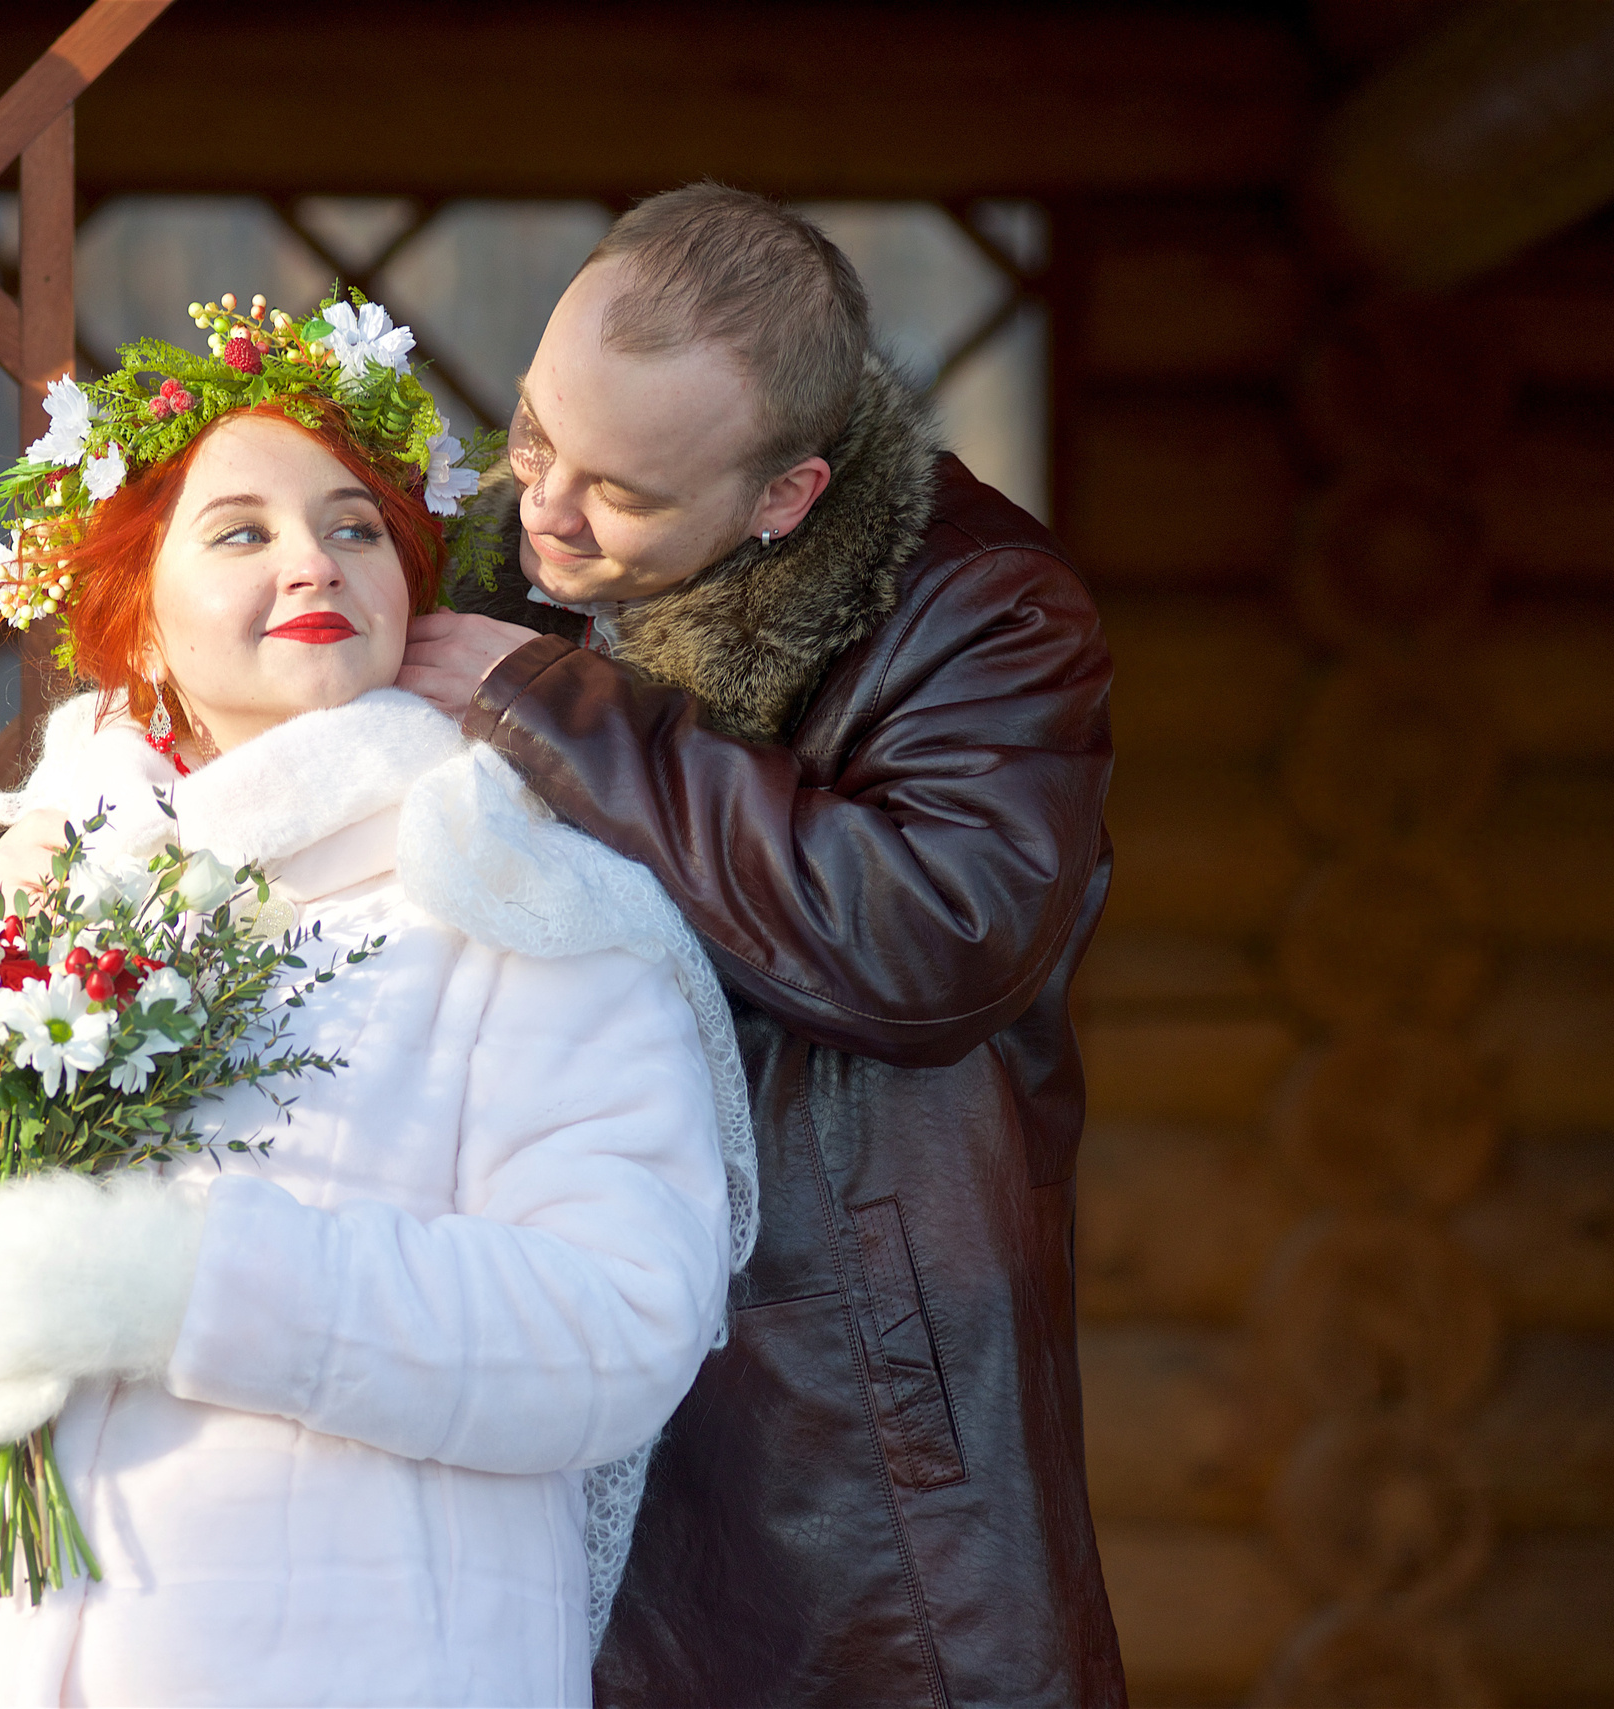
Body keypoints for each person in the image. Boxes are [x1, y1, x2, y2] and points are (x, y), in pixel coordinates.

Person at [0, 297, 754, 1708]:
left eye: (356, 525)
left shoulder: (517, 895)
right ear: (135, 614)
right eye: (242, 529)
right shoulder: (41, 901)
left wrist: (188, 1282)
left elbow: (613, 1322)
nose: (313, 557)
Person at [398, 184, 1127, 1706]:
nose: (543, 508)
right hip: (532, 1366)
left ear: (788, 495)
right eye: (537, 434)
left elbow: (935, 933)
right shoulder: (499, 558)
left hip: (845, 1434)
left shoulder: (988, 609)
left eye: (622, 491)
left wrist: (563, 709)